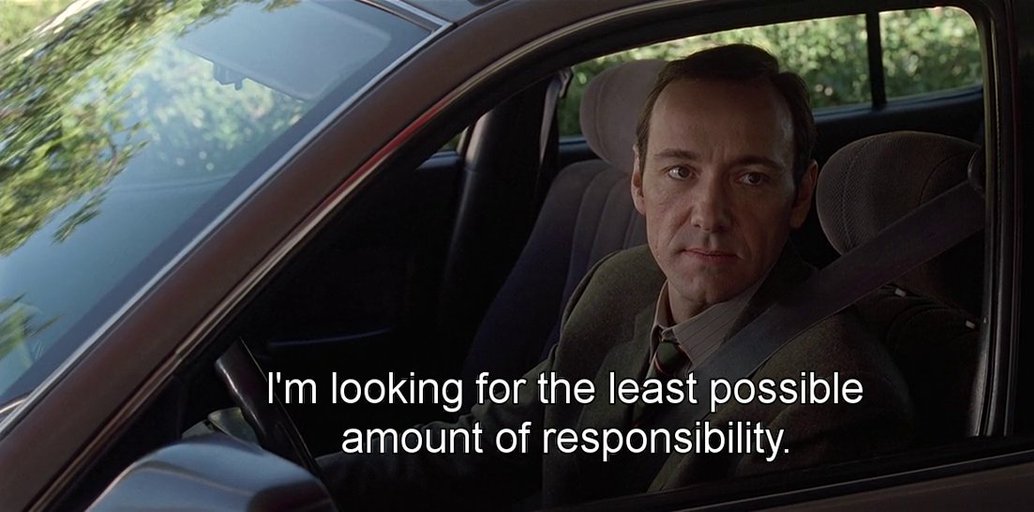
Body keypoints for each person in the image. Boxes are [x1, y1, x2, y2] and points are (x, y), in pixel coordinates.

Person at [318, 44, 914, 510]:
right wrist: (308, 484)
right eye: (680, 171)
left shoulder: (831, 397)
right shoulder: (620, 284)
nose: (709, 214)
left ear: (800, 195)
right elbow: (487, 443)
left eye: (751, 178)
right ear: (637, 183)